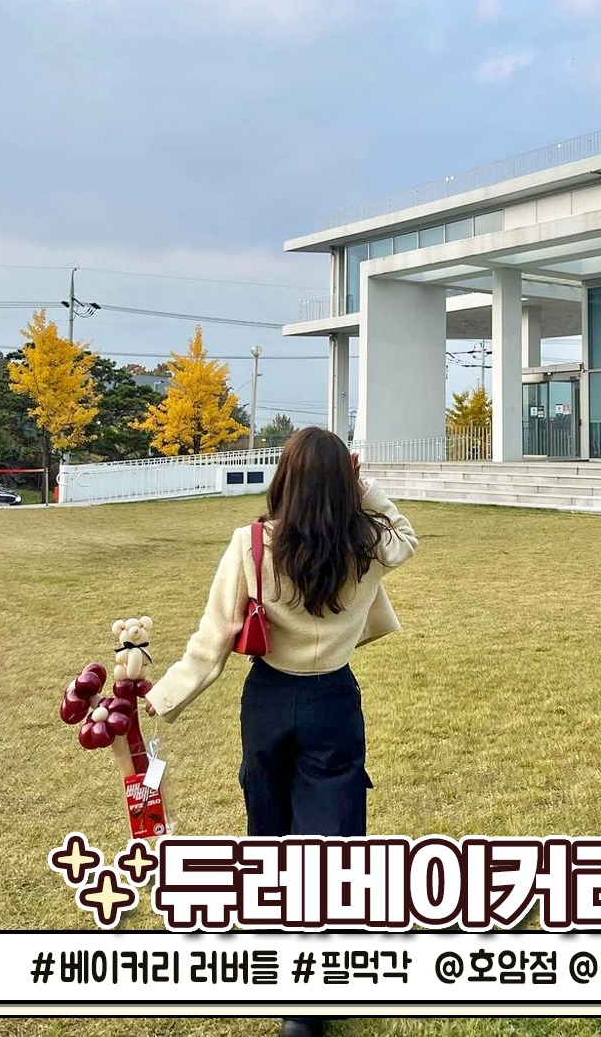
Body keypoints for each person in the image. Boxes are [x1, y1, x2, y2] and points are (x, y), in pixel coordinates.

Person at [145, 426, 418, 1037]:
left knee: (270, 829)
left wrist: (159, 699)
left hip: (268, 698)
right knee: (332, 839)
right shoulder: (368, 543)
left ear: (285, 478)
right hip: (334, 701)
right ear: (345, 481)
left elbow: (212, 640)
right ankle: (314, 997)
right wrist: (363, 488)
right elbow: (407, 537)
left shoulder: (253, 544)